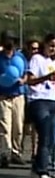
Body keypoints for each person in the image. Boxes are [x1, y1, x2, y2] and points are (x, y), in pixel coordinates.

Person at [23, 33, 55, 178]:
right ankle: (43, 171)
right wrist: (47, 77)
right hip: (39, 101)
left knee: (52, 137)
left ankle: (36, 167)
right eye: (51, 45)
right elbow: (31, 81)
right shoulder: (36, 59)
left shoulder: (54, 61)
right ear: (44, 44)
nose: (53, 49)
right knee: (45, 136)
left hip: (54, 100)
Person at [0, 31, 27, 168]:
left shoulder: (20, 57)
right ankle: (6, 154)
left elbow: (26, 73)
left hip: (18, 96)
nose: (9, 42)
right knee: (5, 127)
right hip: (3, 97)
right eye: (7, 40)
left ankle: (16, 152)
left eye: (11, 40)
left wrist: (23, 80)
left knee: (18, 127)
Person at [22, 39, 40, 162]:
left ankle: (35, 151)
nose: (35, 51)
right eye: (33, 49)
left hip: (36, 97)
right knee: (24, 126)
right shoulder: (23, 62)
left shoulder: (39, 62)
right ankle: (19, 148)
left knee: (35, 127)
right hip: (24, 95)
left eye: (37, 49)